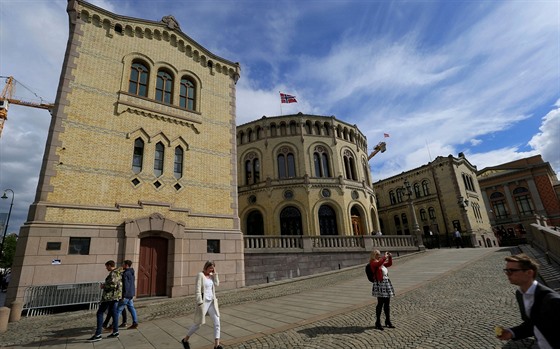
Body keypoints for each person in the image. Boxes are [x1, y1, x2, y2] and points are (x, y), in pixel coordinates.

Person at [496, 253, 560, 348]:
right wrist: (511, 332)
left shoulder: (552, 300)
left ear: (529, 273)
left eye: (512, 271)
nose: (508, 274)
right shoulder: (520, 294)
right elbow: (534, 323)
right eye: (506, 270)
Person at [181, 260, 222, 349]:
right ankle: (185, 340)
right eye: (210, 269)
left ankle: (216, 345)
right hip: (203, 303)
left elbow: (217, 284)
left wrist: (215, 275)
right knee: (198, 324)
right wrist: (199, 302)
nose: (211, 271)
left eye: (212, 269)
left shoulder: (211, 275)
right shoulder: (200, 275)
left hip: (212, 302)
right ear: (206, 267)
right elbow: (197, 290)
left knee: (217, 322)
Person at [88, 260, 122, 342]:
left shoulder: (113, 273)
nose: (106, 268)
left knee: (100, 313)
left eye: (107, 266)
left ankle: (98, 334)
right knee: (114, 313)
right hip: (116, 296)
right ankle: (116, 331)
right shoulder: (119, 273)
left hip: (109, 297)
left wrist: (104, 286)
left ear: (110, 265)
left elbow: (113, 285)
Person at [369, 250, 395, 330]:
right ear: (373, 255)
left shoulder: (381, 262)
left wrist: (390, 257)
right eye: (377, 254)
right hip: (380, 284)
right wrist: (385, 257)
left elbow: (389, 264)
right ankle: (378, 322)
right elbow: (379, 264)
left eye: (379, 254)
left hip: (386, 283)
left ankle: (388, 321)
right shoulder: (373, 262)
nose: (379, 255)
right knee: (380, 303)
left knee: (387, 303)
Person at [117, 260, 139, 329]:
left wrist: (124, 295)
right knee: (131, 308)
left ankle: (113, 325)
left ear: (126, 265)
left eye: (123, 264)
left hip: (126, 294)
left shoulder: (126, 273)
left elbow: (126, 285)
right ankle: (135, 322)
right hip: (131, 293)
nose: (122, 265)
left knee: (118, 310)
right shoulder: (132, 272)